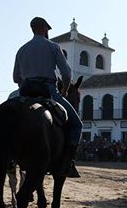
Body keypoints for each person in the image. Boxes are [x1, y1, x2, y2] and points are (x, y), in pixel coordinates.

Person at [12, 16, 82, 178]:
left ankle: (8, 157)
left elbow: (16, 78)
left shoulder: (22, 49)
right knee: (77, 124)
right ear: (44, 29)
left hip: (26, 90)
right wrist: (64, 90)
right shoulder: (53, 47)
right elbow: (66, 74)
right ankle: (68, 162)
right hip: (48, 90)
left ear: (32, 28)